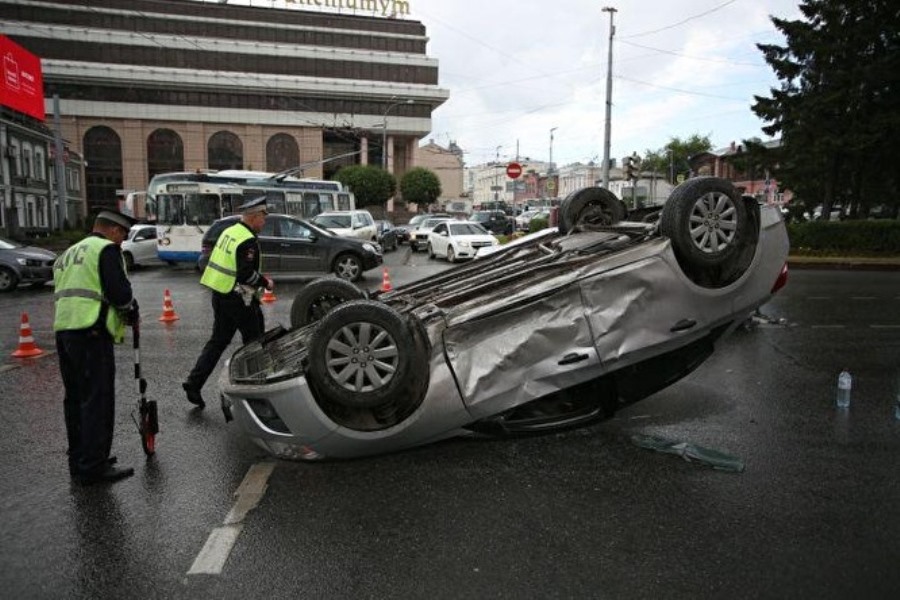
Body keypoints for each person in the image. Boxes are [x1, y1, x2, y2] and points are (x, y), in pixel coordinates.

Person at [54, 209, 140, 485]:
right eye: (123, 235)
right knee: (98, 399)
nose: (122, 241)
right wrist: (130, 310)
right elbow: (119, 293)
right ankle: (94, 465)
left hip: (66, 330)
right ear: (113, 230)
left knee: (76, 398)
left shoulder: (69, 253)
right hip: (92, 331)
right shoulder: (105, 250)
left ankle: (80, 459)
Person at [183, 196, 274, 409]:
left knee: (218, 341)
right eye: (263, 217)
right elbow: (245, 274)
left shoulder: (230, 231)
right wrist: (265, 282)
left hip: (220, 293)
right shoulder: (247, 239)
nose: (264, 222)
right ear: (253, 217)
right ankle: (256, 392)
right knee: (254, 343)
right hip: (238, 298)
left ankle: (193, 383)